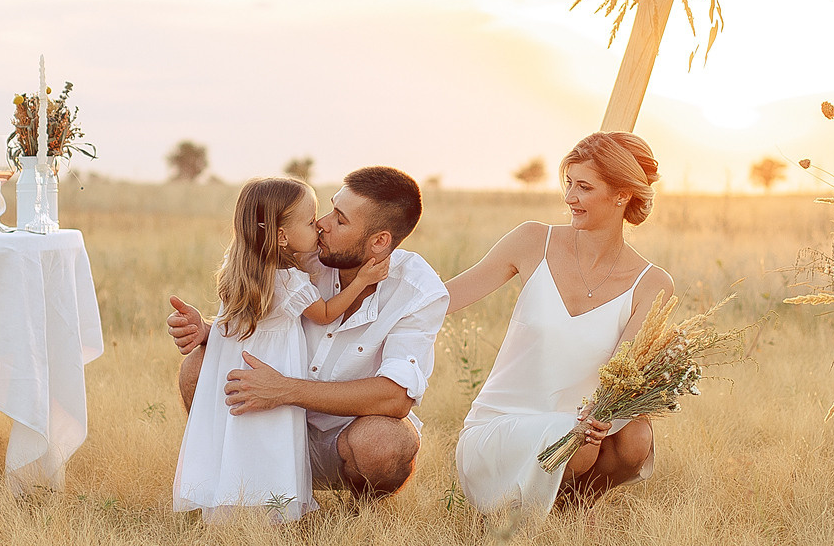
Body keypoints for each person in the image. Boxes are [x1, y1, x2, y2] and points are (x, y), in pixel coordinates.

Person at [167, 166, 446, 501]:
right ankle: (224, 486)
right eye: (328, 209)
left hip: (342, 438)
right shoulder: (298, 256)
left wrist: (284, 390)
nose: (322, 224)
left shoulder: (417, 289)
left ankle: (364, 513)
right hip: (270, 423)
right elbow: (263, 327)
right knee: (196, 367)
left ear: (379, 241)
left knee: (384, 443)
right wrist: (208, 333)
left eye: (340, 219)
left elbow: (395, 398)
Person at [442, 132, 674, 514]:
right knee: (578, 442)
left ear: (621, 195)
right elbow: (446, 298)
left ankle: (576, 505)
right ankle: (524, 505)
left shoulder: (652, 283)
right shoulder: (533, 240)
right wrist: (368, 286)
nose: (569, 197)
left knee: (634, 436)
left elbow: (622, 372)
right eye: (568, 183)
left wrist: (603, 413)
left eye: (584, 187)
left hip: (577, 433)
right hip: (500, 429)